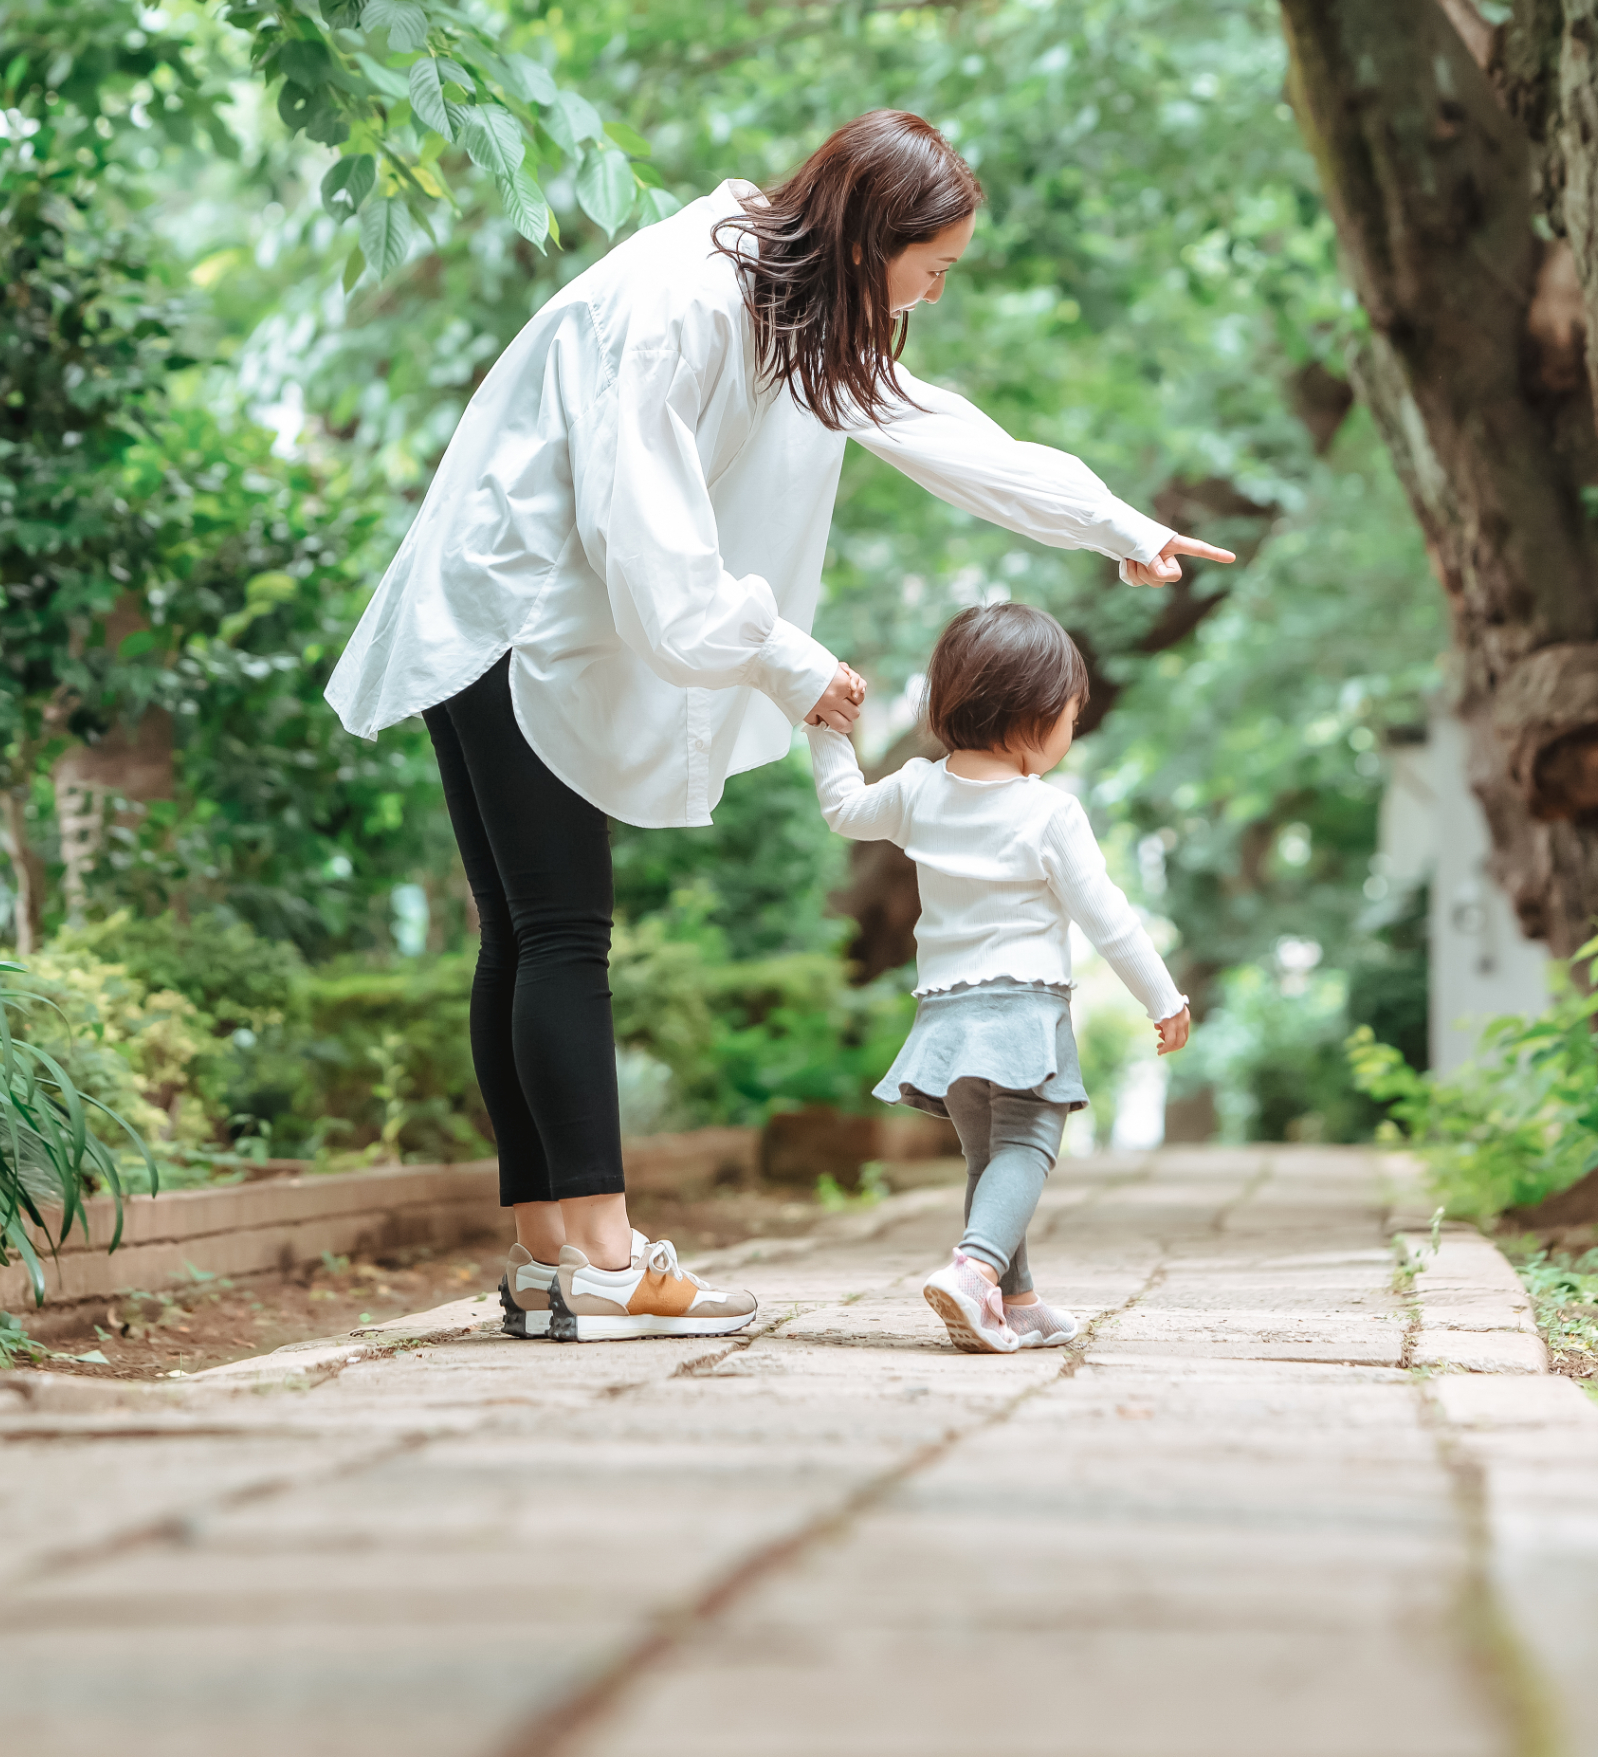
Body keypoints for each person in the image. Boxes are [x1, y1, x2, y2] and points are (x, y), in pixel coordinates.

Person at [328, 111, 1231, 1341]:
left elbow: (941, 429)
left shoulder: (789, 304)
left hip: (499, 610)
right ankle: (600, 1253)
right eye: (936, 265)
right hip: (510, 611)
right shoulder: (688, 301)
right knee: (559, 934)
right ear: (875, 237)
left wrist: (1120, 526)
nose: (935, 291)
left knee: (525, 936)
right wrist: (787, 662)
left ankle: (547, 1254)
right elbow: (648, 536)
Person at [812, 600, 1190, 1354]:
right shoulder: (1048, 812)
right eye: (1069, 717)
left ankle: (1014, 1300)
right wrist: (1164, 995)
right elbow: (1107, 915)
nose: (1070, 731)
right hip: (1021, 1010)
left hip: (944, 1017)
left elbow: (842, 808)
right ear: (1033, 714)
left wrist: (826, 731)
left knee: (990, 1158)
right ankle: (975, 1268)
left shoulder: (917, 787)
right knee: (1030, 1143)